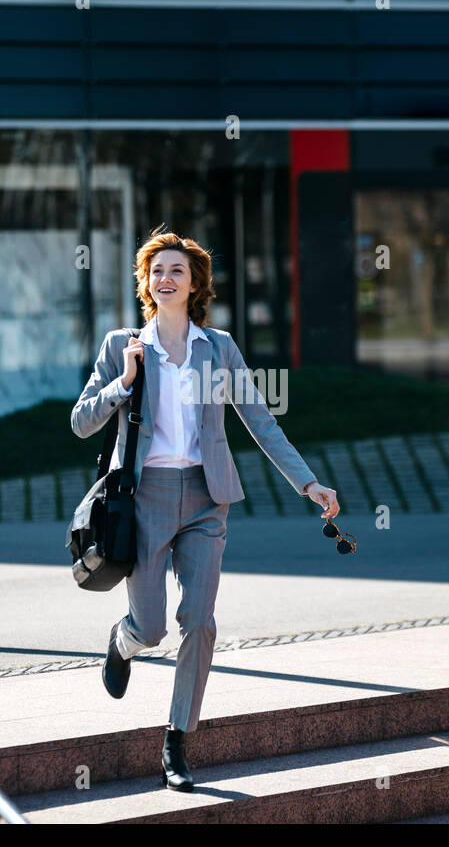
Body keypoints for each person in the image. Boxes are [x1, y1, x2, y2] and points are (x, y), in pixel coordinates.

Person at [70, 225, 340, 791]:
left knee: (199, 621)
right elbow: (80, 421)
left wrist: (308, 483)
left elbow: (259, 419)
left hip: (206, 499)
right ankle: (123, 643)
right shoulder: (123, 344)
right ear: (146, 282)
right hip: (142, 499)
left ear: (195, 286)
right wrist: (123, 383)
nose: (166, 278)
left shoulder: (218, 349)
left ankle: (176, 740)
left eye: (178, 271)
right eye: (158, 271)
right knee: (151, 627)